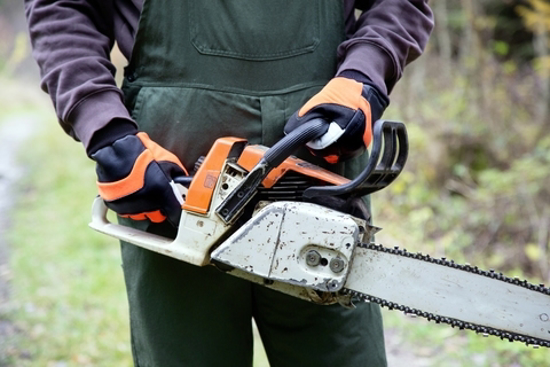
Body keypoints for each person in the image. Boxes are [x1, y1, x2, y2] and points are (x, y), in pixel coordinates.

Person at [25, 1, 433, 366]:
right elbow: (62, 8)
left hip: (319, 160)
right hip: (174, 181)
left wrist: (365, 76)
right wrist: (105, 128)